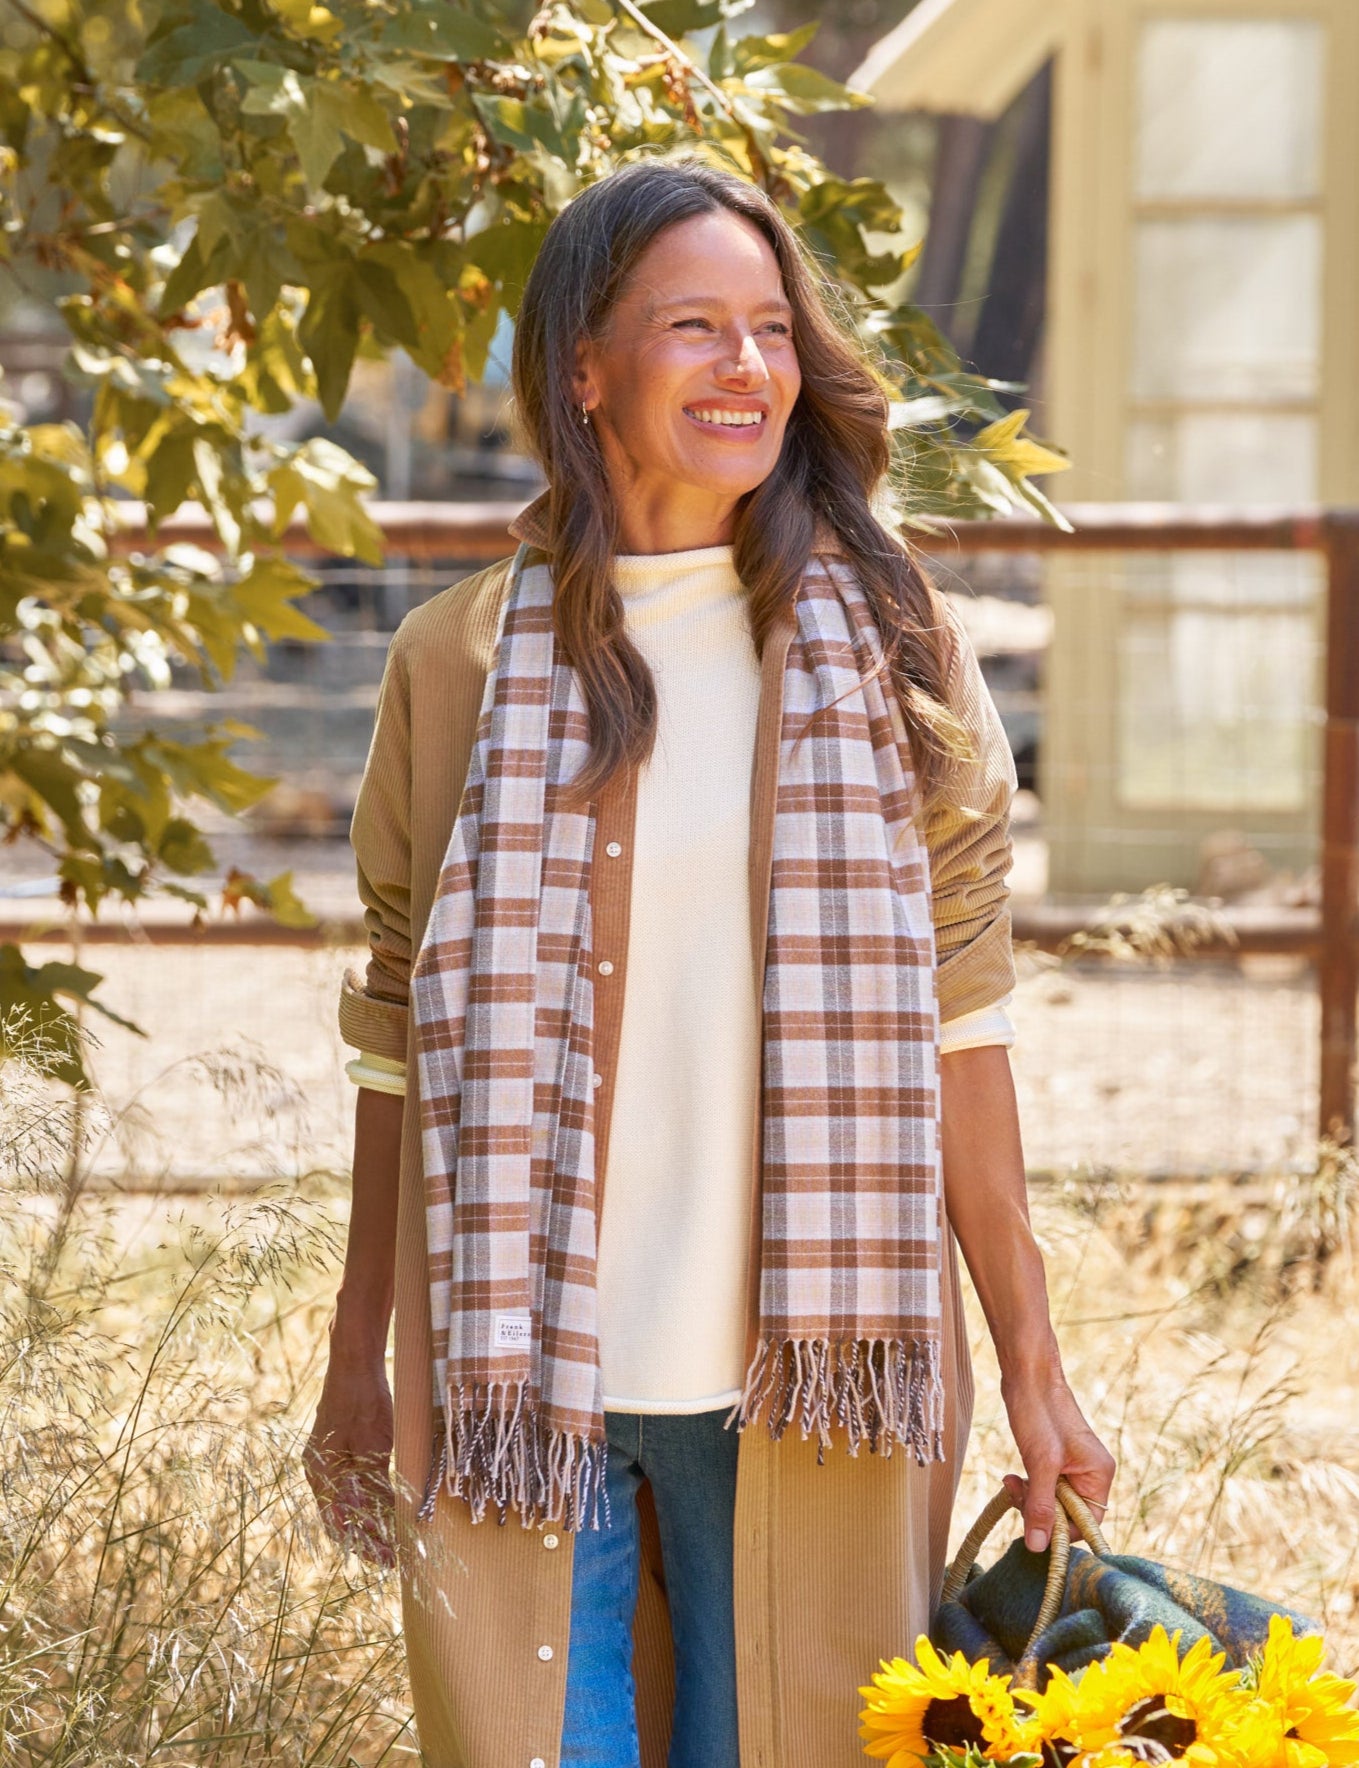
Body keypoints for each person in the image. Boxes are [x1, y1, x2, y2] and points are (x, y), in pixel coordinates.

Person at [306, 154, 1116, 1768]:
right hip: (519, 1371)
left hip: (815, 1387)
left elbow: (966, 1034)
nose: (750, 366)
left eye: (770, 327)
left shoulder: (894, 652)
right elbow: (396, 1039)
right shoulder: (455, 661)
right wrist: (353, 1359)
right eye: (695, 327)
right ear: (584, 368)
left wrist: (1037, 1366)